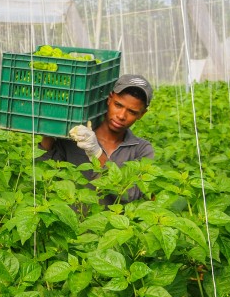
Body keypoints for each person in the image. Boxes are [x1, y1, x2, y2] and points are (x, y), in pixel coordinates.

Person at [39, 74, 154, 203]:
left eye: (132, 112)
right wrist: (48, 128)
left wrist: (96, 153)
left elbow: (130, 194)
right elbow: (42, 173)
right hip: (70, 222)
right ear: (110, 99)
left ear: (142, 114)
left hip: (111, 222)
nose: (121, 116)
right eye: (118, 105)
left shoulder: (141, 150)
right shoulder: (76, 136)